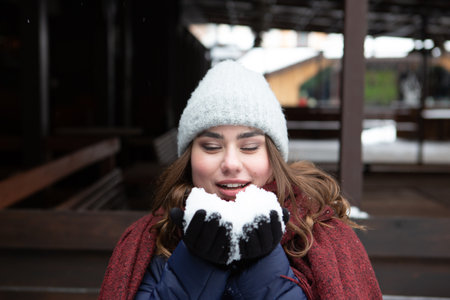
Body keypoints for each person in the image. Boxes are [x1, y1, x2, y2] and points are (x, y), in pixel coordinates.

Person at [99, 60, 382, 300]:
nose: (231, 164)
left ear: (273, 156)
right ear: (189, 157)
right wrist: (194, 263)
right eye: (211, 147)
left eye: (249, 147)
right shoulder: (153, 238)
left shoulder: (322, 234)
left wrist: (263, 265)